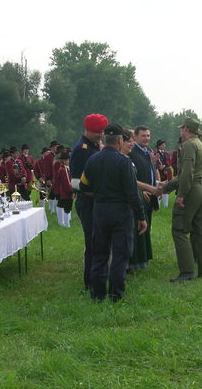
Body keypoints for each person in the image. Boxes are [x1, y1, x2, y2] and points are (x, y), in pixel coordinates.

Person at [79, 123, 147, 301]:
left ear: (105, 139)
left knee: (99, 254)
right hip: (121, 213)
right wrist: (141, 217)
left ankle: (97, 294)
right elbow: (132, 194)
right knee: (120, 254)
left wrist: (100, 194)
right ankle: (116, 293)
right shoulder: (124, 162)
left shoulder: (93, 159)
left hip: (100, 210)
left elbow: (83, 186)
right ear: (119, 140)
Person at [169, 118, 202, 281]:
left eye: (182, 129)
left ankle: (187, 271)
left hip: (193, 189)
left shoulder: (188, 145)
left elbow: (186, 172)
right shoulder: (201, 145)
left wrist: (181, 195)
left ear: (186, 129)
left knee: (179, 229)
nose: (181, 131)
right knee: (201, 231)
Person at [70, 113, 108, 291]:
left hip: (96, 201)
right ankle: (90, 282)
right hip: (87, 201)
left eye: (102, 131)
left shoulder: (94, 146)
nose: (100, 135)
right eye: (97, 132)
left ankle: (97, 277)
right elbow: (75, 181)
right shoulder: (82, 149)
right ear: (88, 130)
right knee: (92, 243)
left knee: (99, 241)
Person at [129, 126, 159, 271]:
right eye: (143, 136)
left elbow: (150, 173)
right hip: (140, 196)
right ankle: (136, 262)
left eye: (148, 135)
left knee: (146, 228)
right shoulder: (132, 153)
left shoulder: (147, 152)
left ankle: (144, 259)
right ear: (135, 137)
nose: (146, 138)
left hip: (149, 197)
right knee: (139, 229)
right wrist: (142, 190)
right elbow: (131, 177)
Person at [55, 150, 73, 227]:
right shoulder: (63, 169)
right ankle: (66, 224)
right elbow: (66, 182)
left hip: (65, 191)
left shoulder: (66, 168)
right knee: (67, 208)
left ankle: (64, 222)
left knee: (65, 206)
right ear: (62, 161)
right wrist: (71, 191)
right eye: (66, 160)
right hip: (67, 192)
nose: (67, 161)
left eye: (68, 159)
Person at [155, 139, 173, 207]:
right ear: (159, 146)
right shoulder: (155, 153)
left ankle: (166, 205)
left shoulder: (166, 154)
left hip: (166, 173)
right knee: (159, 188)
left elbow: (169, 162)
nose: (164, 146)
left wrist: (165, 166)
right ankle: (158, 205)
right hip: (159, 173)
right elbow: (155, 162)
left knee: (166, 188)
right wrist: (159, 166)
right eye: (163, 145)